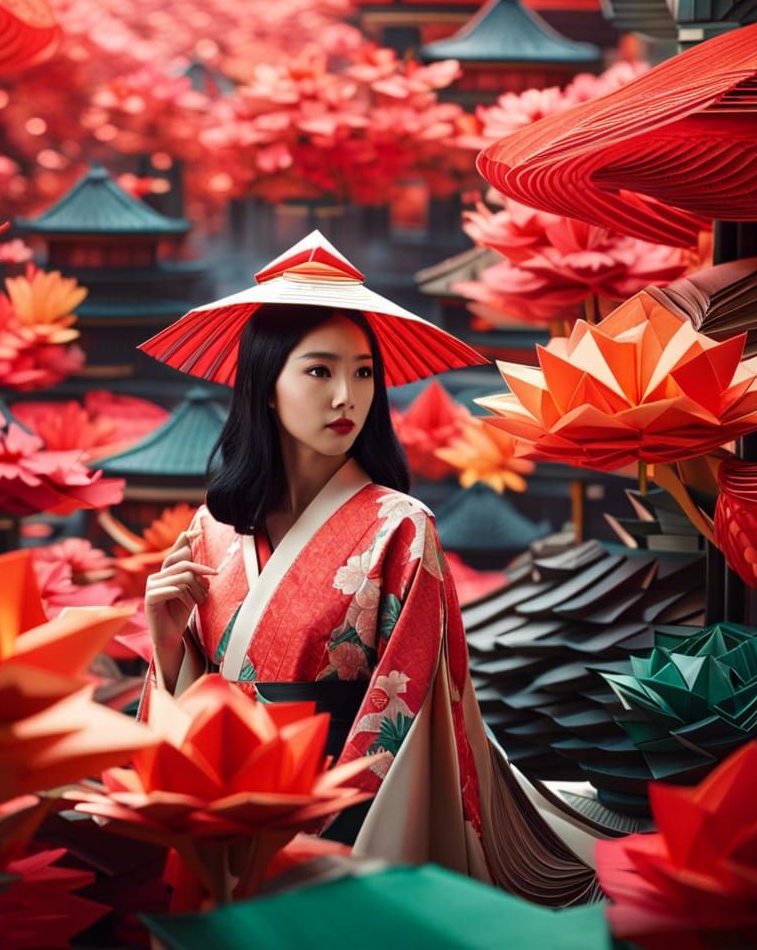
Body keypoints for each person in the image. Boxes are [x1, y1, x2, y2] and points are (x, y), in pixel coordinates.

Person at [139, 232, 600, 906]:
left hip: (338, 817)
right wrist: (165, 637)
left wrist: (308, 829)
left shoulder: (401, 527)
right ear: (266, 386)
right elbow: (188, 704)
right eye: (320, 371)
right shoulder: (210, 531)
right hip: (221, 804)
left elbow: (405, 706)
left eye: (362, 373)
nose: (345, 396)